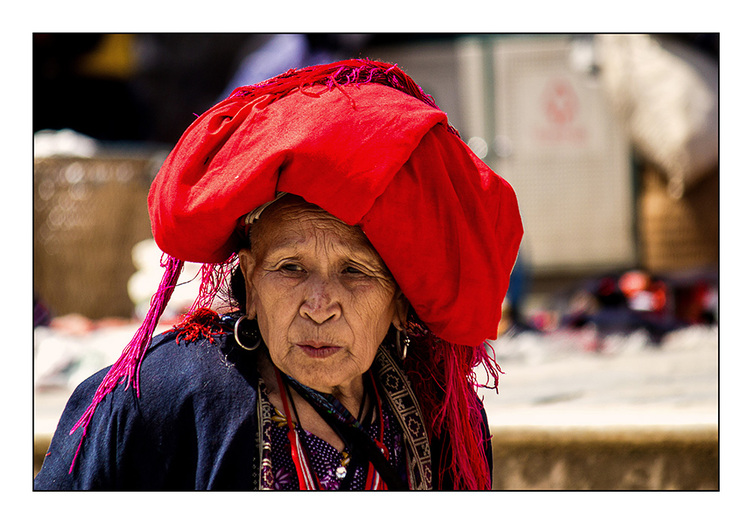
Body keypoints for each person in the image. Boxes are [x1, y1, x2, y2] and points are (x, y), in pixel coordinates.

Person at [34, 59, 523, 490]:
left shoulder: (441, 417)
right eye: (290, 268)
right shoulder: (158, 399)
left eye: (355, 272)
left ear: (400, 302)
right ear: (248, 283)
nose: (319, 304)